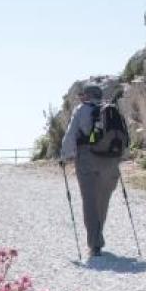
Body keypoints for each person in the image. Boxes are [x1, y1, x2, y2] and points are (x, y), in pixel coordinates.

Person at [59, 84, 120, 258]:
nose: (81, 98)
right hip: (111, 159)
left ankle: (95, 244)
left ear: (87, 96)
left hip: (87, 157)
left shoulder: (81, 110)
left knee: (89, 200)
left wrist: (64, 156)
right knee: (103, 199)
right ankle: (98, 234)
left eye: (82, 95)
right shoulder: (111, 109)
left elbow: (70, 134)